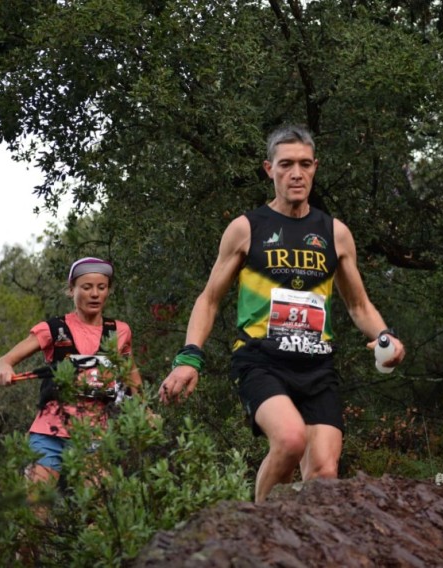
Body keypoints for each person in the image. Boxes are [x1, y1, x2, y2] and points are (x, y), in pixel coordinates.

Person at [159, 125, 406, 502]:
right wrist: (189, 357)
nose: (296, 173)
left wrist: (386, 337)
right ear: (268, 169)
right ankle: (260, 534)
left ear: (315, 168)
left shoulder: (334, 233)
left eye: (305, 164)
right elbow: (209, 299)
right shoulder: (246, 228)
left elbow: (358, 305)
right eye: (286, 164)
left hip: (317, 365)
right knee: (290, 440)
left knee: (324, 472)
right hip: (261, 359)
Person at [0, 257, 142, 487]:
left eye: (101, 287)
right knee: (36, 509)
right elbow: (5, 360)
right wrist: (4, 369)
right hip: (48, 430)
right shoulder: (53, 328)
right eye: (86, 287)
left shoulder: (120, 331)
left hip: (95, 433)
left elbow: (131, 375)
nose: (94, 294)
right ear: (71, 289)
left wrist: (145, 411)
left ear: (108, 291)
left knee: (96, 509)